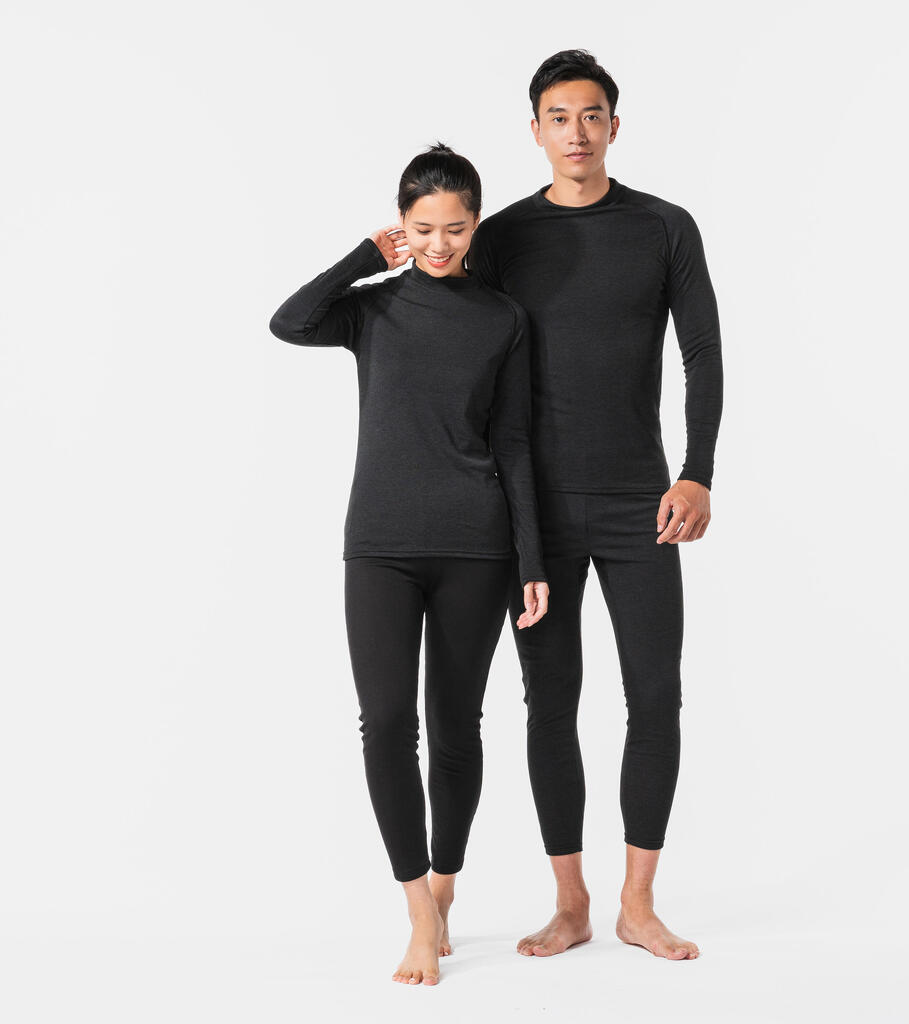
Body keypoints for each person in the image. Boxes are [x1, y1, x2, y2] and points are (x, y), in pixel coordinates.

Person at [268, 143, 550, 986]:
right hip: (381, 545)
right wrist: (363, 256)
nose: (438, 244)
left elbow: (514, 443)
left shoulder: (502, 318)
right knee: (387, 723)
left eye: (455, 228)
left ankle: (446, 887)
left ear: (475, 225)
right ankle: (418, 908)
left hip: (476, 545)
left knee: (457, 727)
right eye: (423, 229)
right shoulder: (372, 309)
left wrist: (531, 559)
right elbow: (289, 321)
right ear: (402, 225)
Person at [469, 50, 723, 961]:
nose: (575, 132)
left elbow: (702, 352)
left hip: (639, 505)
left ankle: (637, 904)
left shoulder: (664, 227)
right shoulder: (502, 237)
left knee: (656, 695)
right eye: (558, 116)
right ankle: (571, 902)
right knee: (550, 702)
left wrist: (696, 471)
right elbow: (465, 360)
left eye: (590, 115)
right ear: (535, 130)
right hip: (533, 512)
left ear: (614, 125)